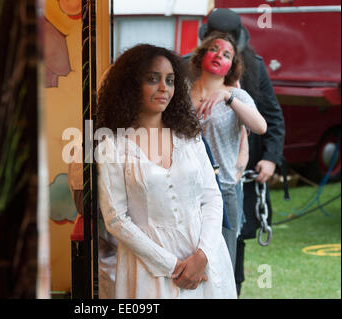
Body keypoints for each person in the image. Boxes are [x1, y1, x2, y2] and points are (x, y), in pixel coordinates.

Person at [96, 44, 237, 298]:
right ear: (130, 85)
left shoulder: (189, 136)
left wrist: (203, 256)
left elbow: (212, 198)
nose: (164, 88)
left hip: (205, 261)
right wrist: (173, 266)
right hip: (149, 270)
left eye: (170, 80)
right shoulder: (112, 146)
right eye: (153, 79)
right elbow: (116, 219)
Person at [198, 9, 286, 295]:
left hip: (239, 174)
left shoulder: (255, 67)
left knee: (234, 242)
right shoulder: (187, 68)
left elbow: (270, 117)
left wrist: (271, 158)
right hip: (198, 178)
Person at [189, 31, 267, 272]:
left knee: (222, 264)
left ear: (231, 65)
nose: (219, 55)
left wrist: (227, 97)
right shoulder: (181, 94)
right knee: (191, 261)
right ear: (202, 54)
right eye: (214, 49)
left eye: (227, 54)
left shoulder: (237, 96)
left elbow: (260, 126)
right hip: (189, 189)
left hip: (224, 188)